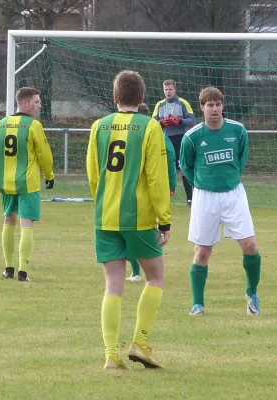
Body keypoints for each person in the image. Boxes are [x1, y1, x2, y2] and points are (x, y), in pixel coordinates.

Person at [86, 70, 172, 370]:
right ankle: (140, 342)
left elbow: (93, 173)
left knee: (113, 285)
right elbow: (156, 176)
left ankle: (111, 356)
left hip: (105, 215)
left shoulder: (99, 126)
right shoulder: (149, 127)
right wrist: (165, 218)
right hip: (138, 217)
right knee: (155, 277)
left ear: (115, 97)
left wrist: (103, 202)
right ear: (143, 98)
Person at [180, 87, 261, 317]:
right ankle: (198, 303)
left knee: (250, 246)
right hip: (205, 196)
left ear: (223, 106)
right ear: (202, 107)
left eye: (218, 104)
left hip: (234, 194)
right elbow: (186, 167)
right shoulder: (192, 137)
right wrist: (203, 183)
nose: (214, 109)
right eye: (209, 105)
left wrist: (228, 179)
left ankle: (252, 293)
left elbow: (241, 160)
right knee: (202, 251)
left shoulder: (237, 131)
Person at [0, 87, 55, 282]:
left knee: (8, 221)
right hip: (28, 184)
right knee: (26, 224)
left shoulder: (0, 125)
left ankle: (8, 269)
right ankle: (23, 271)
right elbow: (44, 153)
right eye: (37, 102)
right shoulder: (33, 126)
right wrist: (49, 175)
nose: (39, 106)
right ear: (24, 103)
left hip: (6, 183)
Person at [126, 103, 177, 283]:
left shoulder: (130, 133)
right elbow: (170, 160)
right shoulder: (158, 133)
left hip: (132, 192)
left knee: (132, 230)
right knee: (149, 230)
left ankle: (137, 271)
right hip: (153, 191)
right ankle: (145, 269)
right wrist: (171, 184)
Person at [152, 79, 196, 207]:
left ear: (175, 90)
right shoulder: (159, 105)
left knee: (183, 168)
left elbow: (192, 120)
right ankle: (164, 198)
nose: (168, 92)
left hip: (180, 139)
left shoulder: (182, 103)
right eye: (166, 89)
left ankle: (190, 199)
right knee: (164, 168)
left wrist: (179, 121)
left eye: (170, 89)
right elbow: (152, 122)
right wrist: (161, 123)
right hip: (165, 140)